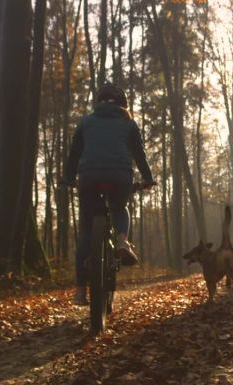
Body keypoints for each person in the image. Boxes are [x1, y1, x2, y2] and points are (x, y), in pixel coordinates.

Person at [61, 83, 155, 305]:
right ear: (123, 104)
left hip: (89, 177)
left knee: (86, 231)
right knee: (119, 207)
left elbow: (74, 154)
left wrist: (68, 178)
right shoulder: (128, 123)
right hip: (120, 175)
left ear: (98, 102)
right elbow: (139, 154)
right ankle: (122, 241)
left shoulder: (85, 122)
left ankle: (80, 291)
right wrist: (148, 178)